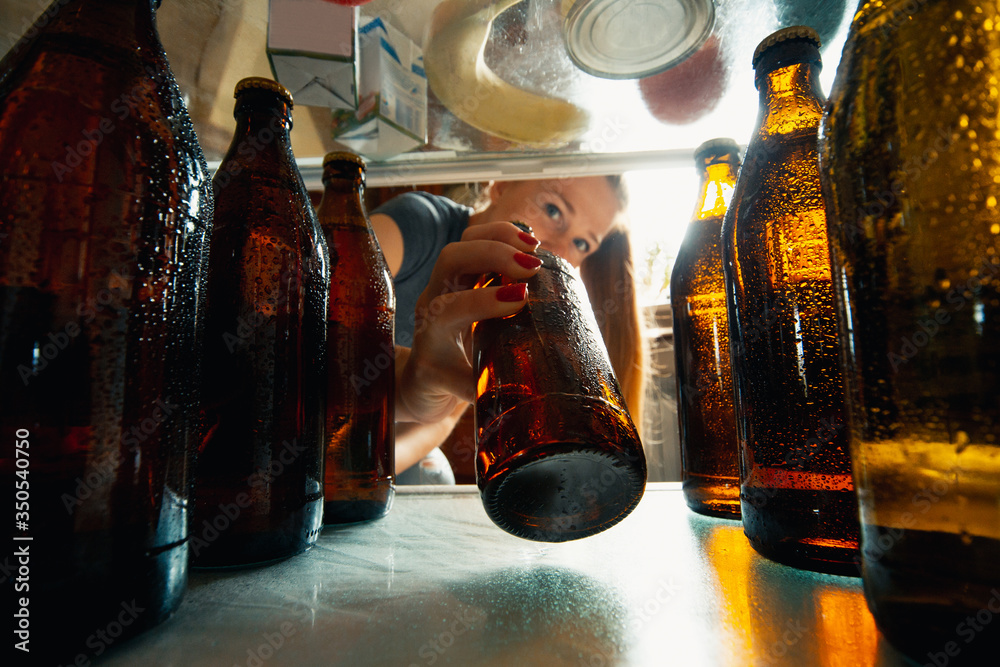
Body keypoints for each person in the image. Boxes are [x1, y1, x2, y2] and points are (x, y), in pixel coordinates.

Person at [380, 176, 645, 484]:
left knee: (435, 477)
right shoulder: (420, 221)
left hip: (377, 445)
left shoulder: (518, 313)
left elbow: (440, 421)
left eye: (581, 243)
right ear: (502, 185)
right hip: (323, 423)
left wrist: (366, 472)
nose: (557, 250)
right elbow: (316, 313)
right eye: (553, 210)